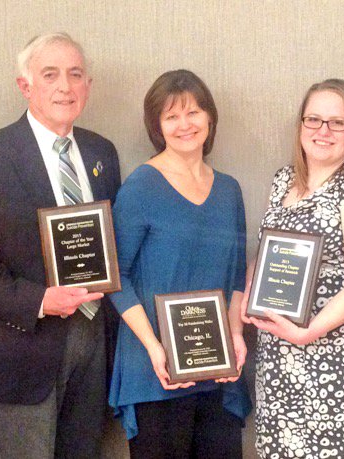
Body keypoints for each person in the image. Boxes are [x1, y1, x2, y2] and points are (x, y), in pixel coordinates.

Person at [0, 32, 121, 458]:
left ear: (88, 86)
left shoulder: (102, 152)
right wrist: (40, 300)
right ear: (25, 86)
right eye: (50, 75)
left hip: (94, 338)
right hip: (23, 345)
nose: (65, 86)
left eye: (75, 74)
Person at [242, 79, 344, 458]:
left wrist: (307, 333)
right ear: (300, 125)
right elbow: (267, 254)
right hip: (280, 362)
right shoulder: (283, 181)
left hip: (340, 364)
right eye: (313, 119)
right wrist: (249, 293)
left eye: (337, 122)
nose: (323, 131)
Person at [108, 69, 249, 458]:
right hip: (156, 369)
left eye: (193, 112)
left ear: (210, 117)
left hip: (217, 368)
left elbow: (237, 275)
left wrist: (236, 333)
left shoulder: (229, 189)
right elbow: (116, 276)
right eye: (171, 116)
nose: (184, 124)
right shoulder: (140, 186)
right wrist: (155, 348)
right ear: (157, 126)